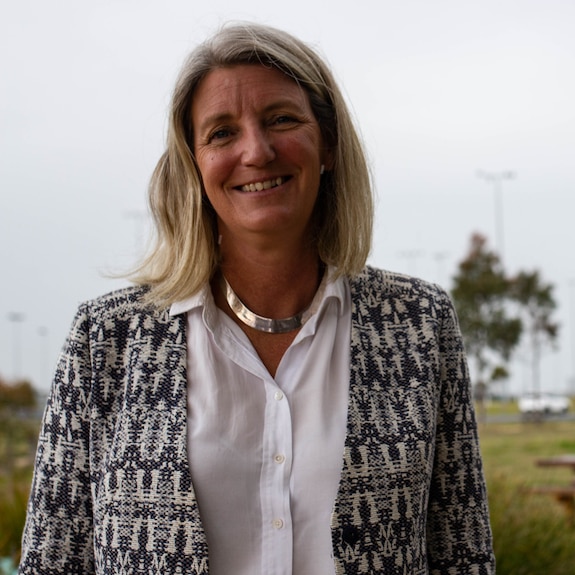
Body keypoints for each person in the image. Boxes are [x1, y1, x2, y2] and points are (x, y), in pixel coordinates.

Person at [19, 22, 495, 575]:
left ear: (329, 146)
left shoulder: (418, 325)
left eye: (281, 119)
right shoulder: (108, 339)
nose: (257, 150)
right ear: (195, 166)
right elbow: (53, 559)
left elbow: (463, 553)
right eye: (222, 132)